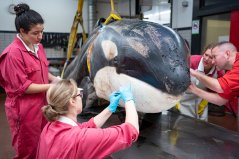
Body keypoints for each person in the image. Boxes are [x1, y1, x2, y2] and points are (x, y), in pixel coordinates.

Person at [0, 3, 59, 159]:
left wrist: (57, 80)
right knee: (27, 147)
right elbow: (23, 87)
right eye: (35, 33)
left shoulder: (38, 47)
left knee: (43, 141)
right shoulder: (13, 54)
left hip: (42, 104)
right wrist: (53, 86)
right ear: (22, 32)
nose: (40, 37)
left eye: (42, 32)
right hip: (24, 109)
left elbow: (43, 71)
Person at [36, 79, 139, 159]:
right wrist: (129, 100)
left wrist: (110, 108)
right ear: (72, 101)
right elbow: (131, 131)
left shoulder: (50, 127)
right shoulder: (79, 138)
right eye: (79, 94)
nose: (81, 96)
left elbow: (85, 127)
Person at [176, 43, 224, 121]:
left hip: (201, 100)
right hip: (184, 98)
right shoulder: (191, 61)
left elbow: (218, 92)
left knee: (201, 125)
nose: (207, 59)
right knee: (183, 124)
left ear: (216, 60)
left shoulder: (218, 71)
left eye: (211, 57)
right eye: (206, 55)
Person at [189, 41, 239, 115]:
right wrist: (193, 89)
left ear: (227, 54)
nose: (212, 62)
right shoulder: (230, 73)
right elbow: (221, 101)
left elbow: (219, 87)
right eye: (206, 55)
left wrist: (194, 73)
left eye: (214, 57)